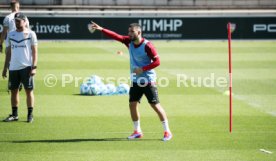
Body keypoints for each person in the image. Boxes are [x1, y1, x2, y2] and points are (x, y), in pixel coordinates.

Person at [90, 22, 172, 141]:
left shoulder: (148, 46)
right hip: (135, 80)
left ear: (139, 32)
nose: (129, 34)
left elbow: (157, 62)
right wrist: (101, 29)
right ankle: (137, 131)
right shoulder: (129, 41)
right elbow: (116, 36)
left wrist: (142, 69)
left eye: (132, 32)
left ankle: (167, 132)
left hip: (148, 80)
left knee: (155, 105)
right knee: (132, 104)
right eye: (129, 32)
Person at [2, 12, 38, 123]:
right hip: (13, 68)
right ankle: (14, 114)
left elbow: (35, 52)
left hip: (26, 67)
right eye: (15, 21)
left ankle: (30, 114)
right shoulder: (11, 34)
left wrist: (34, 67)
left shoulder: (31, 34)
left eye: (18, 20)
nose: (17, 22)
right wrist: (5, 68)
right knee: (14, 91)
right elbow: (8, 52)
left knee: (28, 91)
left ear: (24, 21)